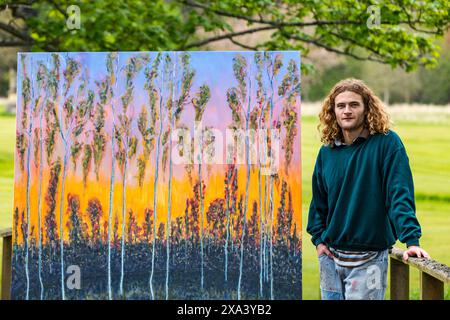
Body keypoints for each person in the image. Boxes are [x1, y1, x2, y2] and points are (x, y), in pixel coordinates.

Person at [306, 78, 430, 300]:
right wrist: (318, 240)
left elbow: (398, 194)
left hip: (369, 258)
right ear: (332, 111)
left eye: (354, 104)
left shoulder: (387, 144)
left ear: (367, 109)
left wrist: (412, 241)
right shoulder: (327, 151)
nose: (347, 111)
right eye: (340, 106)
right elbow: (319, 201)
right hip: (330, 258)